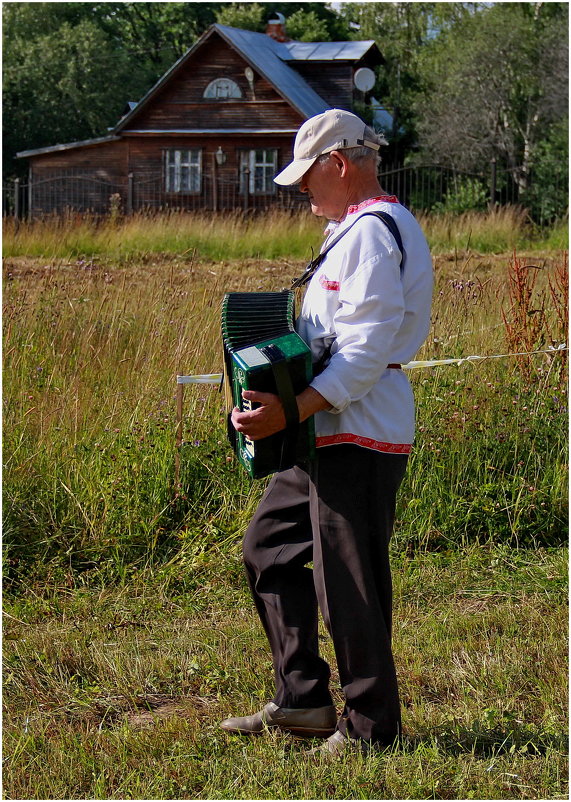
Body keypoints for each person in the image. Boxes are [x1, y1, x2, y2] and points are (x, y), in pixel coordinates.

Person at [221, 108, 433, 756]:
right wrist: (266, 394)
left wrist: (293, 409)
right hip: (321, 428)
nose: (303, 195)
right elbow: (325, 340)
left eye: (307, 179)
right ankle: (303, 701)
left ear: (337, 165)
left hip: (358, 430)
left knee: (350, 582)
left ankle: (370, 729)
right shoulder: (350, 232)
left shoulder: (374, 232)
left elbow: (365, 354)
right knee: (268, 550)